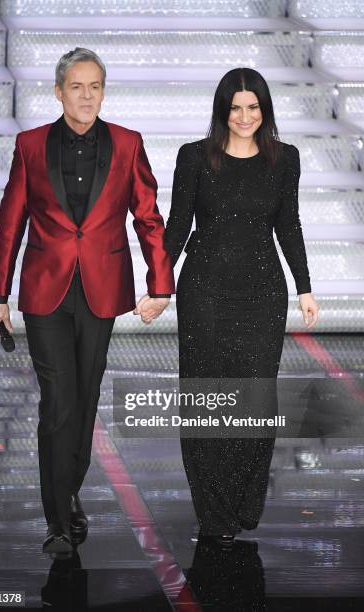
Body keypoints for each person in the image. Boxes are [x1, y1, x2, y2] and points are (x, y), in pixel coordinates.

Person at [0, 47, 175, 557]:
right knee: (58, 403)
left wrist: (161, 284)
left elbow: (148, 216)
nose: (86, 95)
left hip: (101, 287)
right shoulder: (29, 145)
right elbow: (11, 224)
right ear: (58, 91)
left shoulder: (128, 143)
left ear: (103, 91)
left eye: (95, 86)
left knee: (86, 400)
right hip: (45, 290)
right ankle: (57, 524)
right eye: (76, 86)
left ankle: (68, 488)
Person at [164, 67, 320, 547]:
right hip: (204, 293)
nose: (245, 116)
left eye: (253, 107)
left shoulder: (284, 160)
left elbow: (288, 225)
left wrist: (305, 287)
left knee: (254, 402)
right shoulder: (194, 157)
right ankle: (213, 513)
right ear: (222, 110)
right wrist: (156, 284)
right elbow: (176, 226)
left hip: (262, 295)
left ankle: (241, 502)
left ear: (265, 110)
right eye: (236, 107)